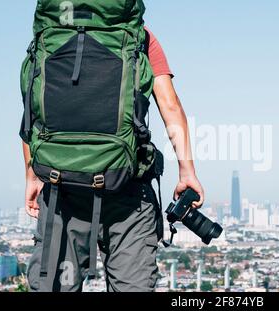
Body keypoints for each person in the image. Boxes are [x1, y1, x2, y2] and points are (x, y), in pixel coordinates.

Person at [21, 27, 204, 292]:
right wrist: (187, 171)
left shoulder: (52, 33)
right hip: (128, 192)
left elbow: (33, 109)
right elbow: (170, 106)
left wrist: (31, 175)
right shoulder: (138, 36)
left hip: (62, 191)